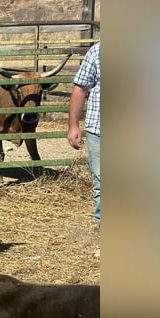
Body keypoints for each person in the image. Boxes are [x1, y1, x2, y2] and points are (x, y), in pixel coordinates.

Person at [67, 41, 100, 229]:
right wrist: (73, 125)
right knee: (102, 182)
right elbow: (80, 88)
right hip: (99, 128)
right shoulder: (97, 51)